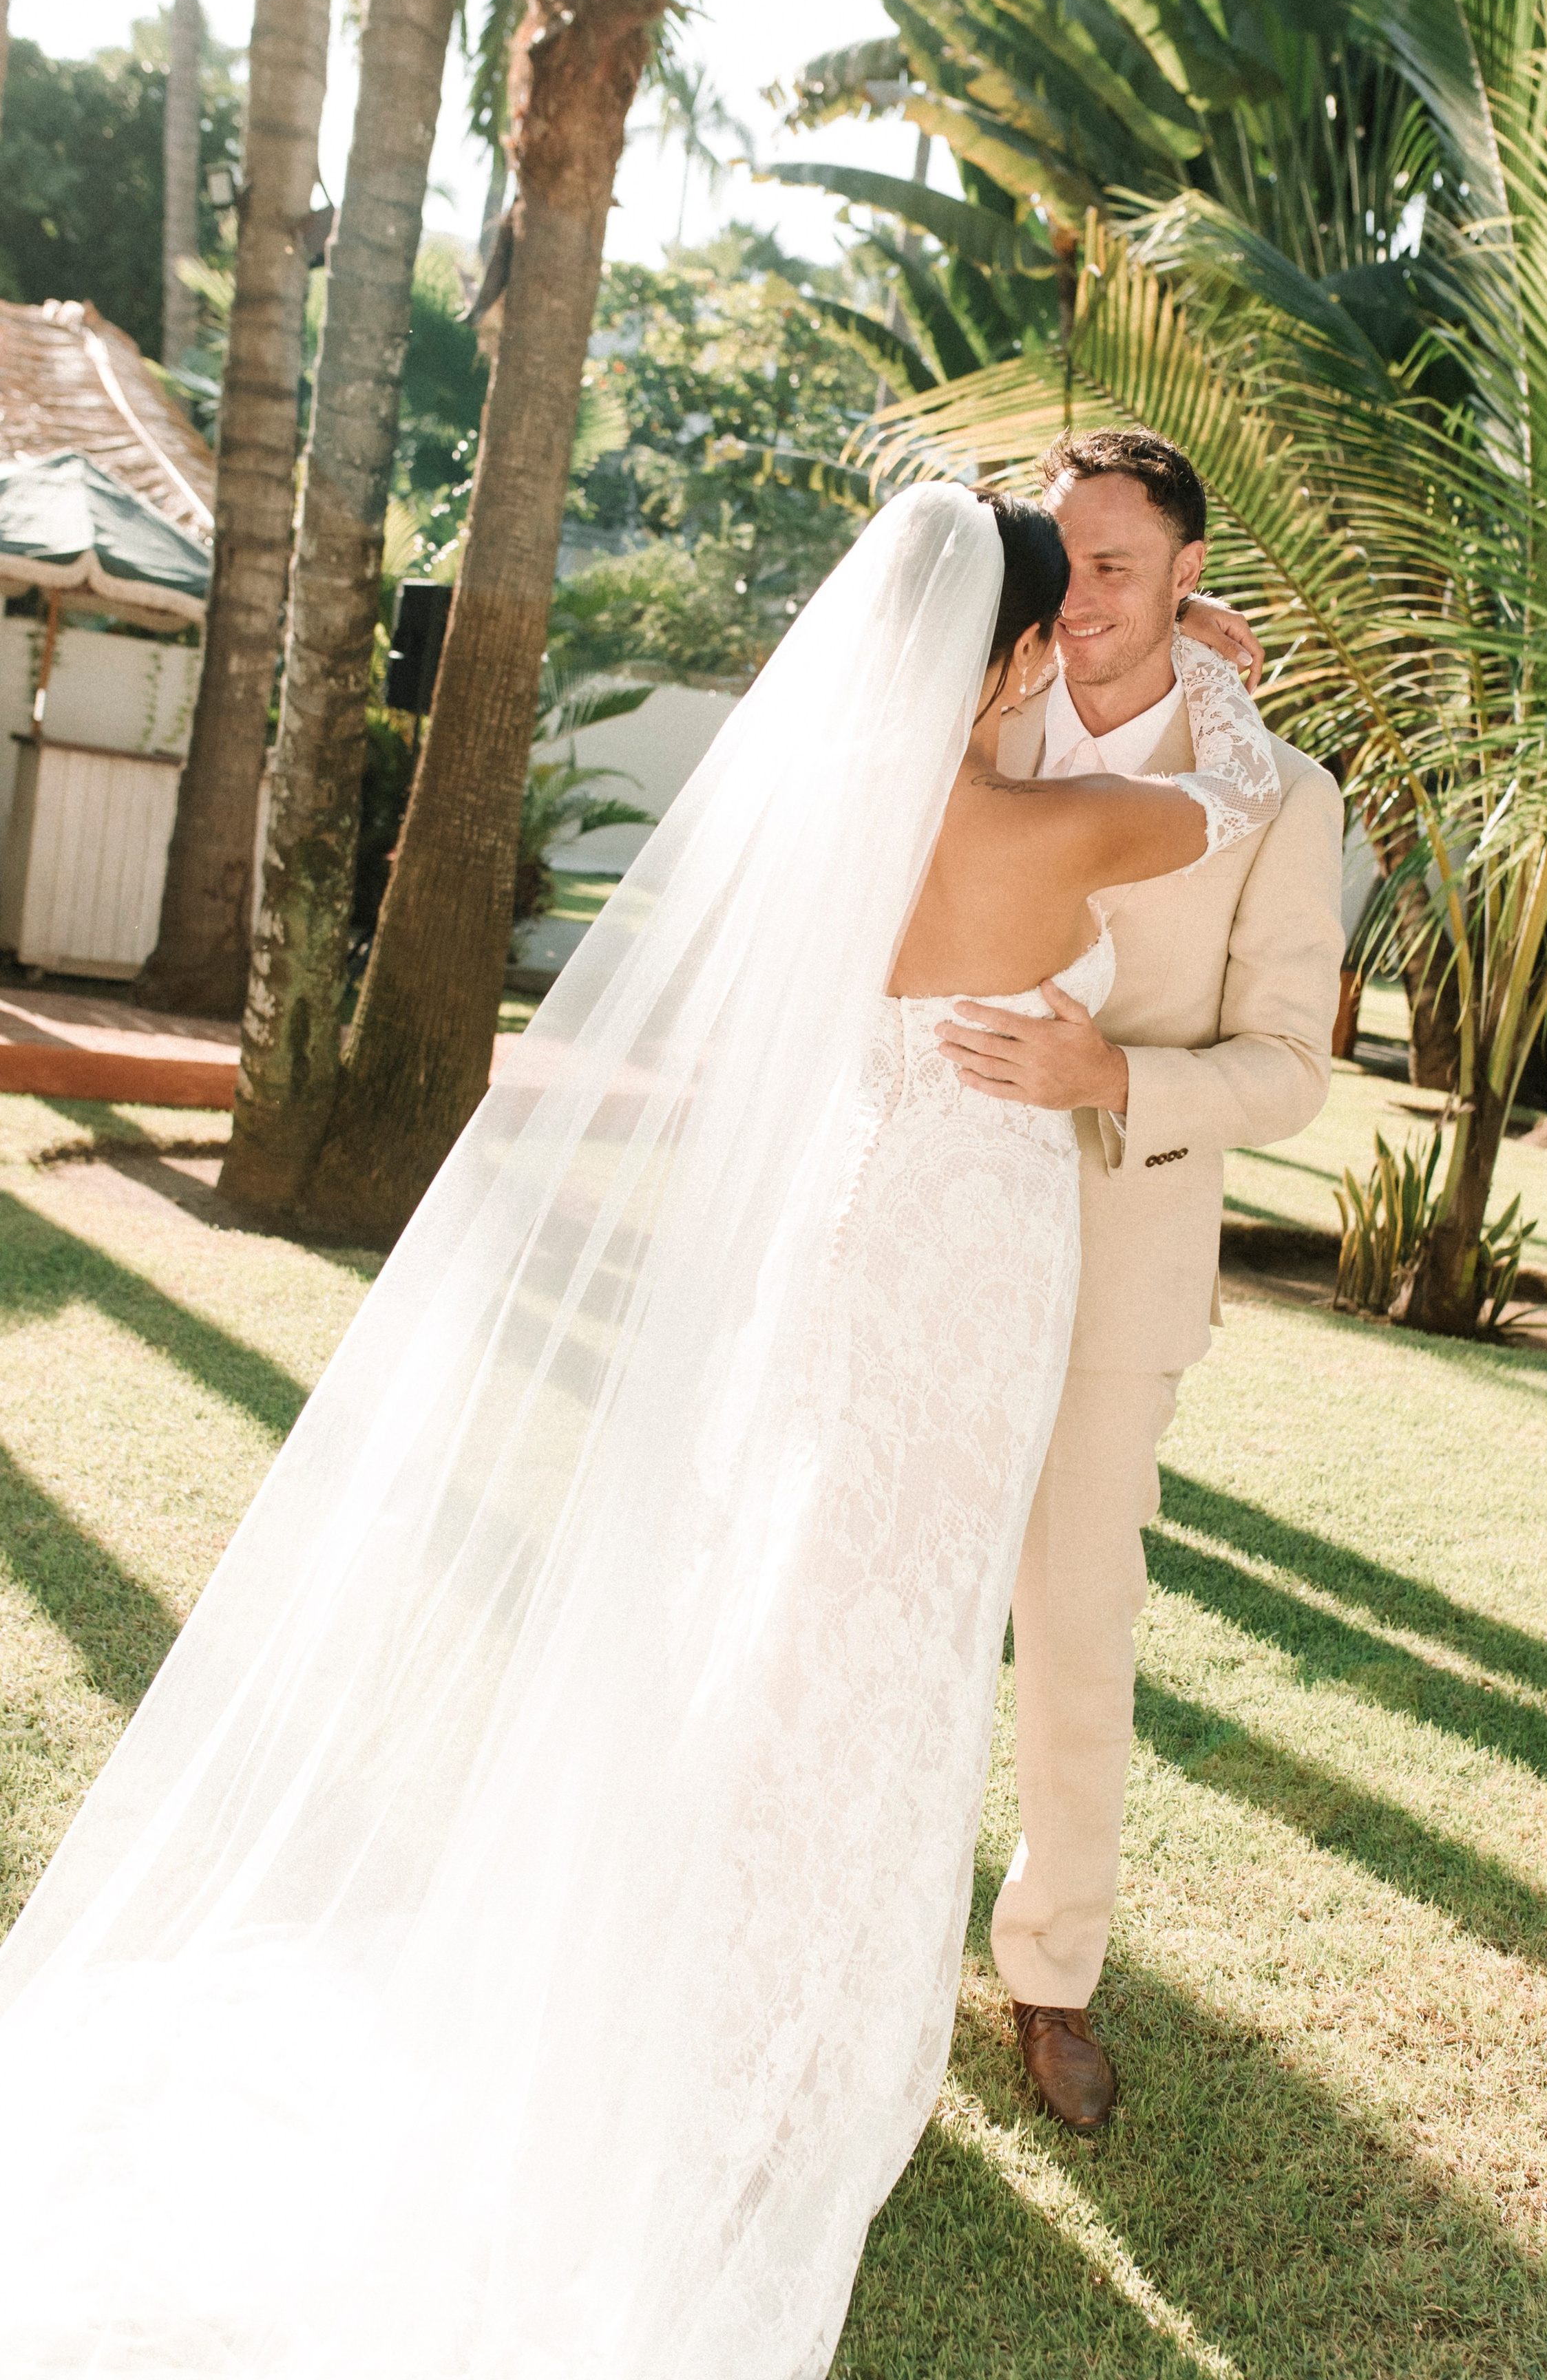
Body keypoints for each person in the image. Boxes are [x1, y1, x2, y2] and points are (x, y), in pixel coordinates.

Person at [0, 481, 1283, 2379]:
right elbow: (1232, 795)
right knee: (893, 1639)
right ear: (1014, 654)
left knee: (779, 1609)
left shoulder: (843, 826)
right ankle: (777, 2035)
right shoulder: (1053, 826)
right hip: (966, 1272)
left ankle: (688, 1978)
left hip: (836, 1248)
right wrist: (1217, 668)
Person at [936, 427, 1345, 2132]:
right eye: (1063, 560)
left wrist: (1115, 1080)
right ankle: (861, 1934)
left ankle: (1051, 1977)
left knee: (1076, 1625)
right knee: (886, 1594)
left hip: (1119, 1261)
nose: (1081, 595)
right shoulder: (961, 710)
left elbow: (1289, 1069)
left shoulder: (1281, 794)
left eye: (1118, 564)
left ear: (1189, 576)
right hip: (922, 1236)